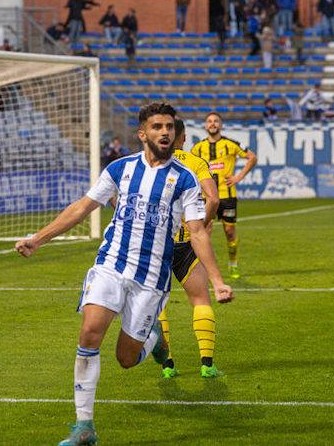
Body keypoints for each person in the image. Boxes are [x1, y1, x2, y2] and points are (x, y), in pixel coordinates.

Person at [15, 103, 233, 446]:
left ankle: (153, 340)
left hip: (151, 277)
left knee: (126, 359)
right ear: (142, 133)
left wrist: (217, 280)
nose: (165, 132)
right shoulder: (119, 169)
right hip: (111, 264)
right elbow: (83, 206)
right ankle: (84, 427)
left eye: (169, 127)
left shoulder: (186, 179)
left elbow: (198, 231)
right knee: (89, 333)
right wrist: (38, 239)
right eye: (157, 127)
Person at [158, 118, 229, 379]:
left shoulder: (147, 163)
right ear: (184, 138)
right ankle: (207, 364)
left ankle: (168, 365)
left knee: (157, 306)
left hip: (156, 245)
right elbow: (214, 198)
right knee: (200, 299)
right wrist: (203, 222)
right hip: (187, 242)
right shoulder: (195, 163)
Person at [191, 113, 258, 279]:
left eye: (215, 121)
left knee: (229, 231)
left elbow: (252, 157)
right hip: (206, 197)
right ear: (205, 126)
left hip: (227, 196)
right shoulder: (197, 148)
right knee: (205, 232)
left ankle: (233, 263)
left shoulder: (231, 144)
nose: (212, 124)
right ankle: (205, 268)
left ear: (220, 125)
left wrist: (239, 177)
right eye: (209, 121)